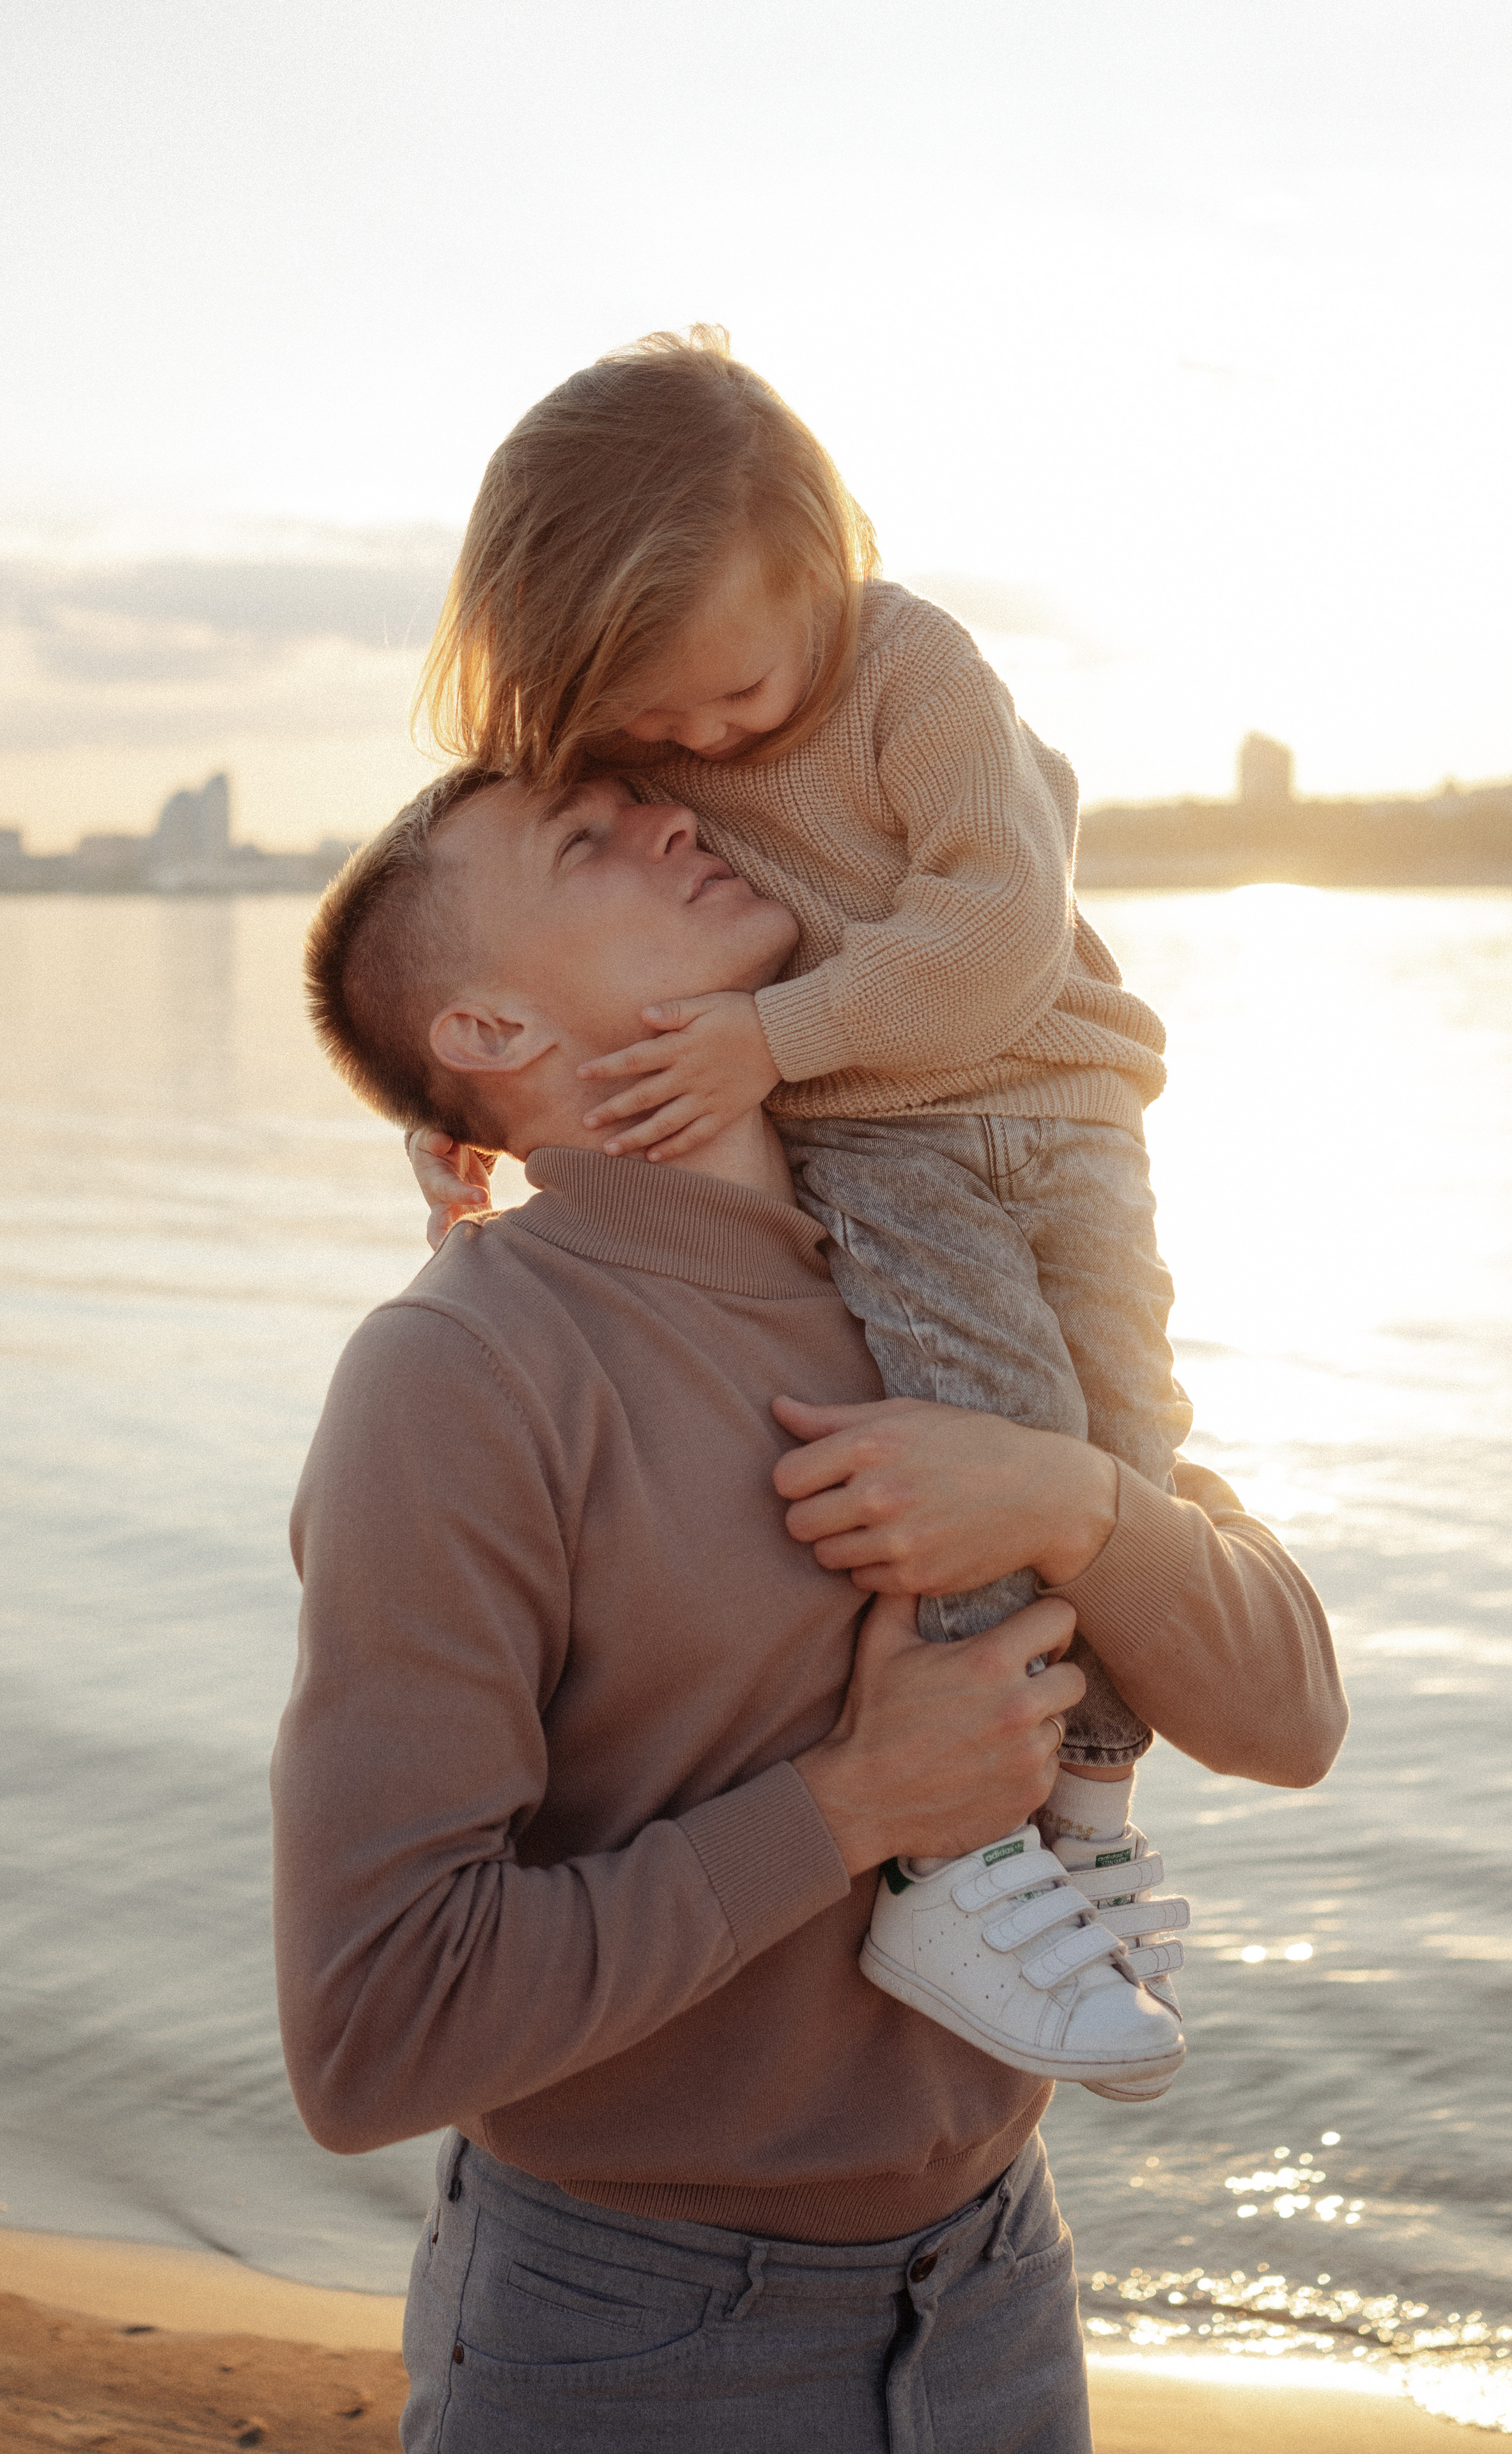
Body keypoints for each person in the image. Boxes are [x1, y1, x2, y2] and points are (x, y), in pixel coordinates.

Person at [272, 763, 1346, 2453]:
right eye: (589, 842)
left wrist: (1069, 1497)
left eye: (659, 804)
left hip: (998, 2290)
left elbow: (1292, 1720)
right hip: (632, 2341)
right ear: (486, 1029)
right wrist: (855, 1805)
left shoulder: (958, 1262)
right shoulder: (461, 1377)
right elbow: (375, 2032)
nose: (678, 826)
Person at [408, 327, 1198, 2089]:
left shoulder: (917, 667)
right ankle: (959, 1857)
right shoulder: (644, 715)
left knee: (1128, 1453)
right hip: (890, 1144)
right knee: (990, 1436)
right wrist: (440, 1098)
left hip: (1061, 1107)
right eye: (649, 722)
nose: (691, 747)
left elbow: (998, 934)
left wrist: (772, 1032)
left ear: (825, 565)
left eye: (734, 706)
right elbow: (459, 905)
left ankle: (1087, 1805)